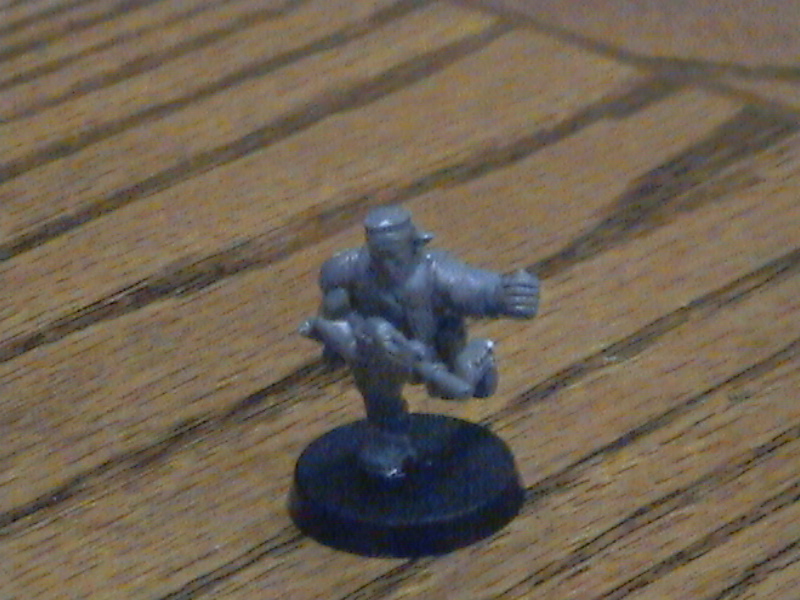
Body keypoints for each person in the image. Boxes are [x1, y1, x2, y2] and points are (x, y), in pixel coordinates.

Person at [300, 206, 539, 478]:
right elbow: (333, 310)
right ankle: (390, 438)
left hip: (434, 347)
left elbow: (473, 287)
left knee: (457, 390)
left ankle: (479, 358)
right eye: (380, 257)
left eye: (394, 257)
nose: (388, 267)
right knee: (377, 389)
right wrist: (337, 342)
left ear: (414, 244)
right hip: (382, 347)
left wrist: (505, 294)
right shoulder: (348, 269)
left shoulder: (436, 272)